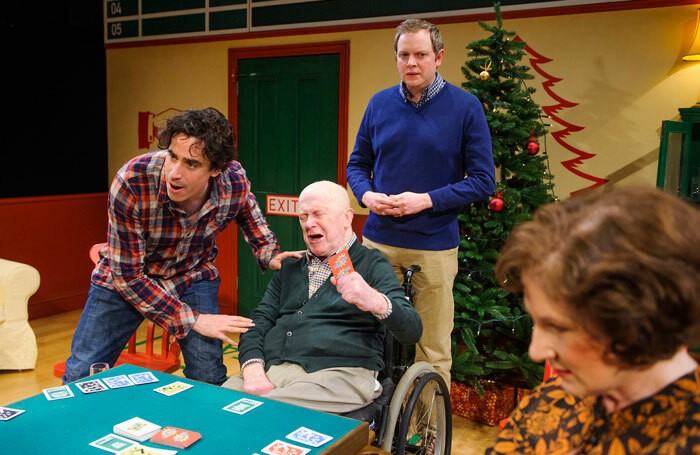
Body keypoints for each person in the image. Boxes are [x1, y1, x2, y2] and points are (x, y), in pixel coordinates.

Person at [64, 108, 299, 385]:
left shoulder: (233, 180)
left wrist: (268, 252)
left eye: (191, 164)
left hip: (192, 276)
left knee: (209, 376)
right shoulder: (132, 181)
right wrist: (194, 320)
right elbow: (127, 276)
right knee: (81, 374)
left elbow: (247, 212)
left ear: (215, 169)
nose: (174, 173)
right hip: (125, 281)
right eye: (172, 157)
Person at [487, 185, 700, 455]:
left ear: (638, 323)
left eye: (558, 327)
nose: (536, 351)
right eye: (537, 322)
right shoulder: (551, 402)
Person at [346, 18, 495, 386]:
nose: (411, 62)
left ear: (438, 57)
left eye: (421, 55)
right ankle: (367, 425)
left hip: (434, 247)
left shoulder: (466, 106)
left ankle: (428, 432)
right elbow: (357, 164)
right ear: (396, 58)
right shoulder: (379, 104)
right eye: (404, 55)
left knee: (432, 349)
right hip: (378, 243)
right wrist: (366, 194)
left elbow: (483, 181)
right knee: (367, 339)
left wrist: (426, 200)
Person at [222, 181, 423, 413]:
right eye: (303, 217)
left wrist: (375, 300)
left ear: (347, 218)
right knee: (218, 406)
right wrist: (253, 370)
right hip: (273, 371)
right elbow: (256, 323)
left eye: (319, 214)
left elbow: (412, 330)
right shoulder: (290, 267)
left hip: (339, 376)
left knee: (261, 411)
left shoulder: (372, 263)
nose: (309, 224)